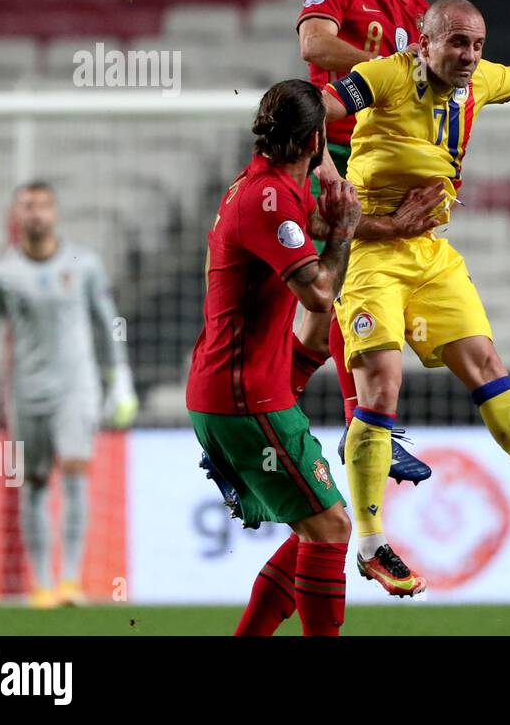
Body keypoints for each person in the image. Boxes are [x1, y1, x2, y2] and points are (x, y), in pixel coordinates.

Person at [321, 0, 510, 596]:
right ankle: (372, 545)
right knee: (382, 383)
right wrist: (320, 164)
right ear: (421, 43)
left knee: (489, 367)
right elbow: (317, 108)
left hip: (429, 253)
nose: (468, 55)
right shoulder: (384, 76)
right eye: (455, 43)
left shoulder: (481, 80)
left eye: (476, 44)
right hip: (371, 249)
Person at [186, 79, 359, 636]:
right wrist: (346, 234)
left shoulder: (264, 188)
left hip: (233, 390)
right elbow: (318, 294)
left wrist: (371, 226)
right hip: (242, 398)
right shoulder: (271, 201)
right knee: (330, 527)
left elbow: (315, 237)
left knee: (313, 530)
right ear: (316, 142)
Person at [295, 0, 436, 479]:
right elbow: (315, 42)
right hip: (329, 149)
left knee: (340, 301)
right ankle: (362, 427)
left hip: (380, 165)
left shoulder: (424, 14)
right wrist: (388, 70)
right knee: (331, 296)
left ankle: (344, 425)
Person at [0, 180, 137, 607]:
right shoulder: (3, 273)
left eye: (42, 205)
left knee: (75, 474)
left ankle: (71, 581)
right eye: (27, 206)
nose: (35, 213)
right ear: (17, 215)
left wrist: (121, 378)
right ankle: (42, 584)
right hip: (25, 391)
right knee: (34, 483)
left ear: (54, 213)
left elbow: (108, 321)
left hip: (76, 387)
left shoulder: (84, 263)